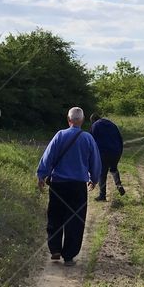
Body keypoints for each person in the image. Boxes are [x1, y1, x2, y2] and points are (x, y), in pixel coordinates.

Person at [36, 107, 102, 266]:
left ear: (68, 119)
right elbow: (95, 161)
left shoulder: (60, 135)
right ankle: (69, 255)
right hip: (78, 186)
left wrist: (41, 175)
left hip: (58, 184)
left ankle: (55, 249)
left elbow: (48, 156)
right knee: (75, 220)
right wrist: (94, 178)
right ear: (82, 120)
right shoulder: (88, 138)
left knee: (55, 216)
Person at [89, 112, 126, 201]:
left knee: (102, 173)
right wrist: (119, 152)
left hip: (103, 152)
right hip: (116, 151)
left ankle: (102, 195)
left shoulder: (95, 125)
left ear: (93, 120)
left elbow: (91, 141)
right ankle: (118, 184)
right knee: (113, 169)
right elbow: (120, 139)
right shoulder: (112, 124)